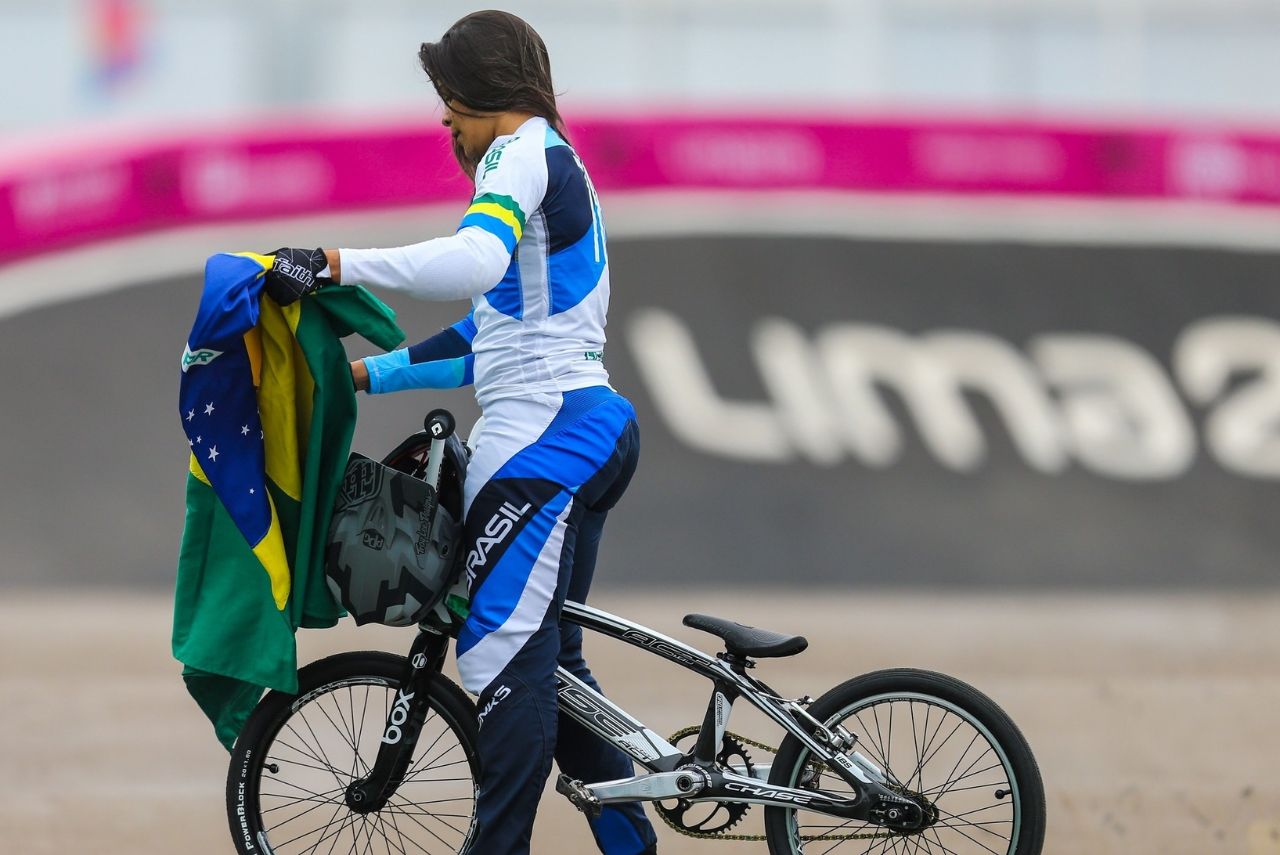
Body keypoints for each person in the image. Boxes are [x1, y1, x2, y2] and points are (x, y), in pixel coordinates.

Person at [260, 11, 658, 855]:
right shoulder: (560, 164)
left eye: (450, 99)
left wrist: (336, 261)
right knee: (549, 664)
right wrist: (364, 375)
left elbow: (472, 263)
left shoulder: (520, 152)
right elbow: (481, 339)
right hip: (583, 424)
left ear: (486, 92)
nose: (444, 118)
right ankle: (630, 840)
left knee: (495, 651)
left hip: (547, 440)